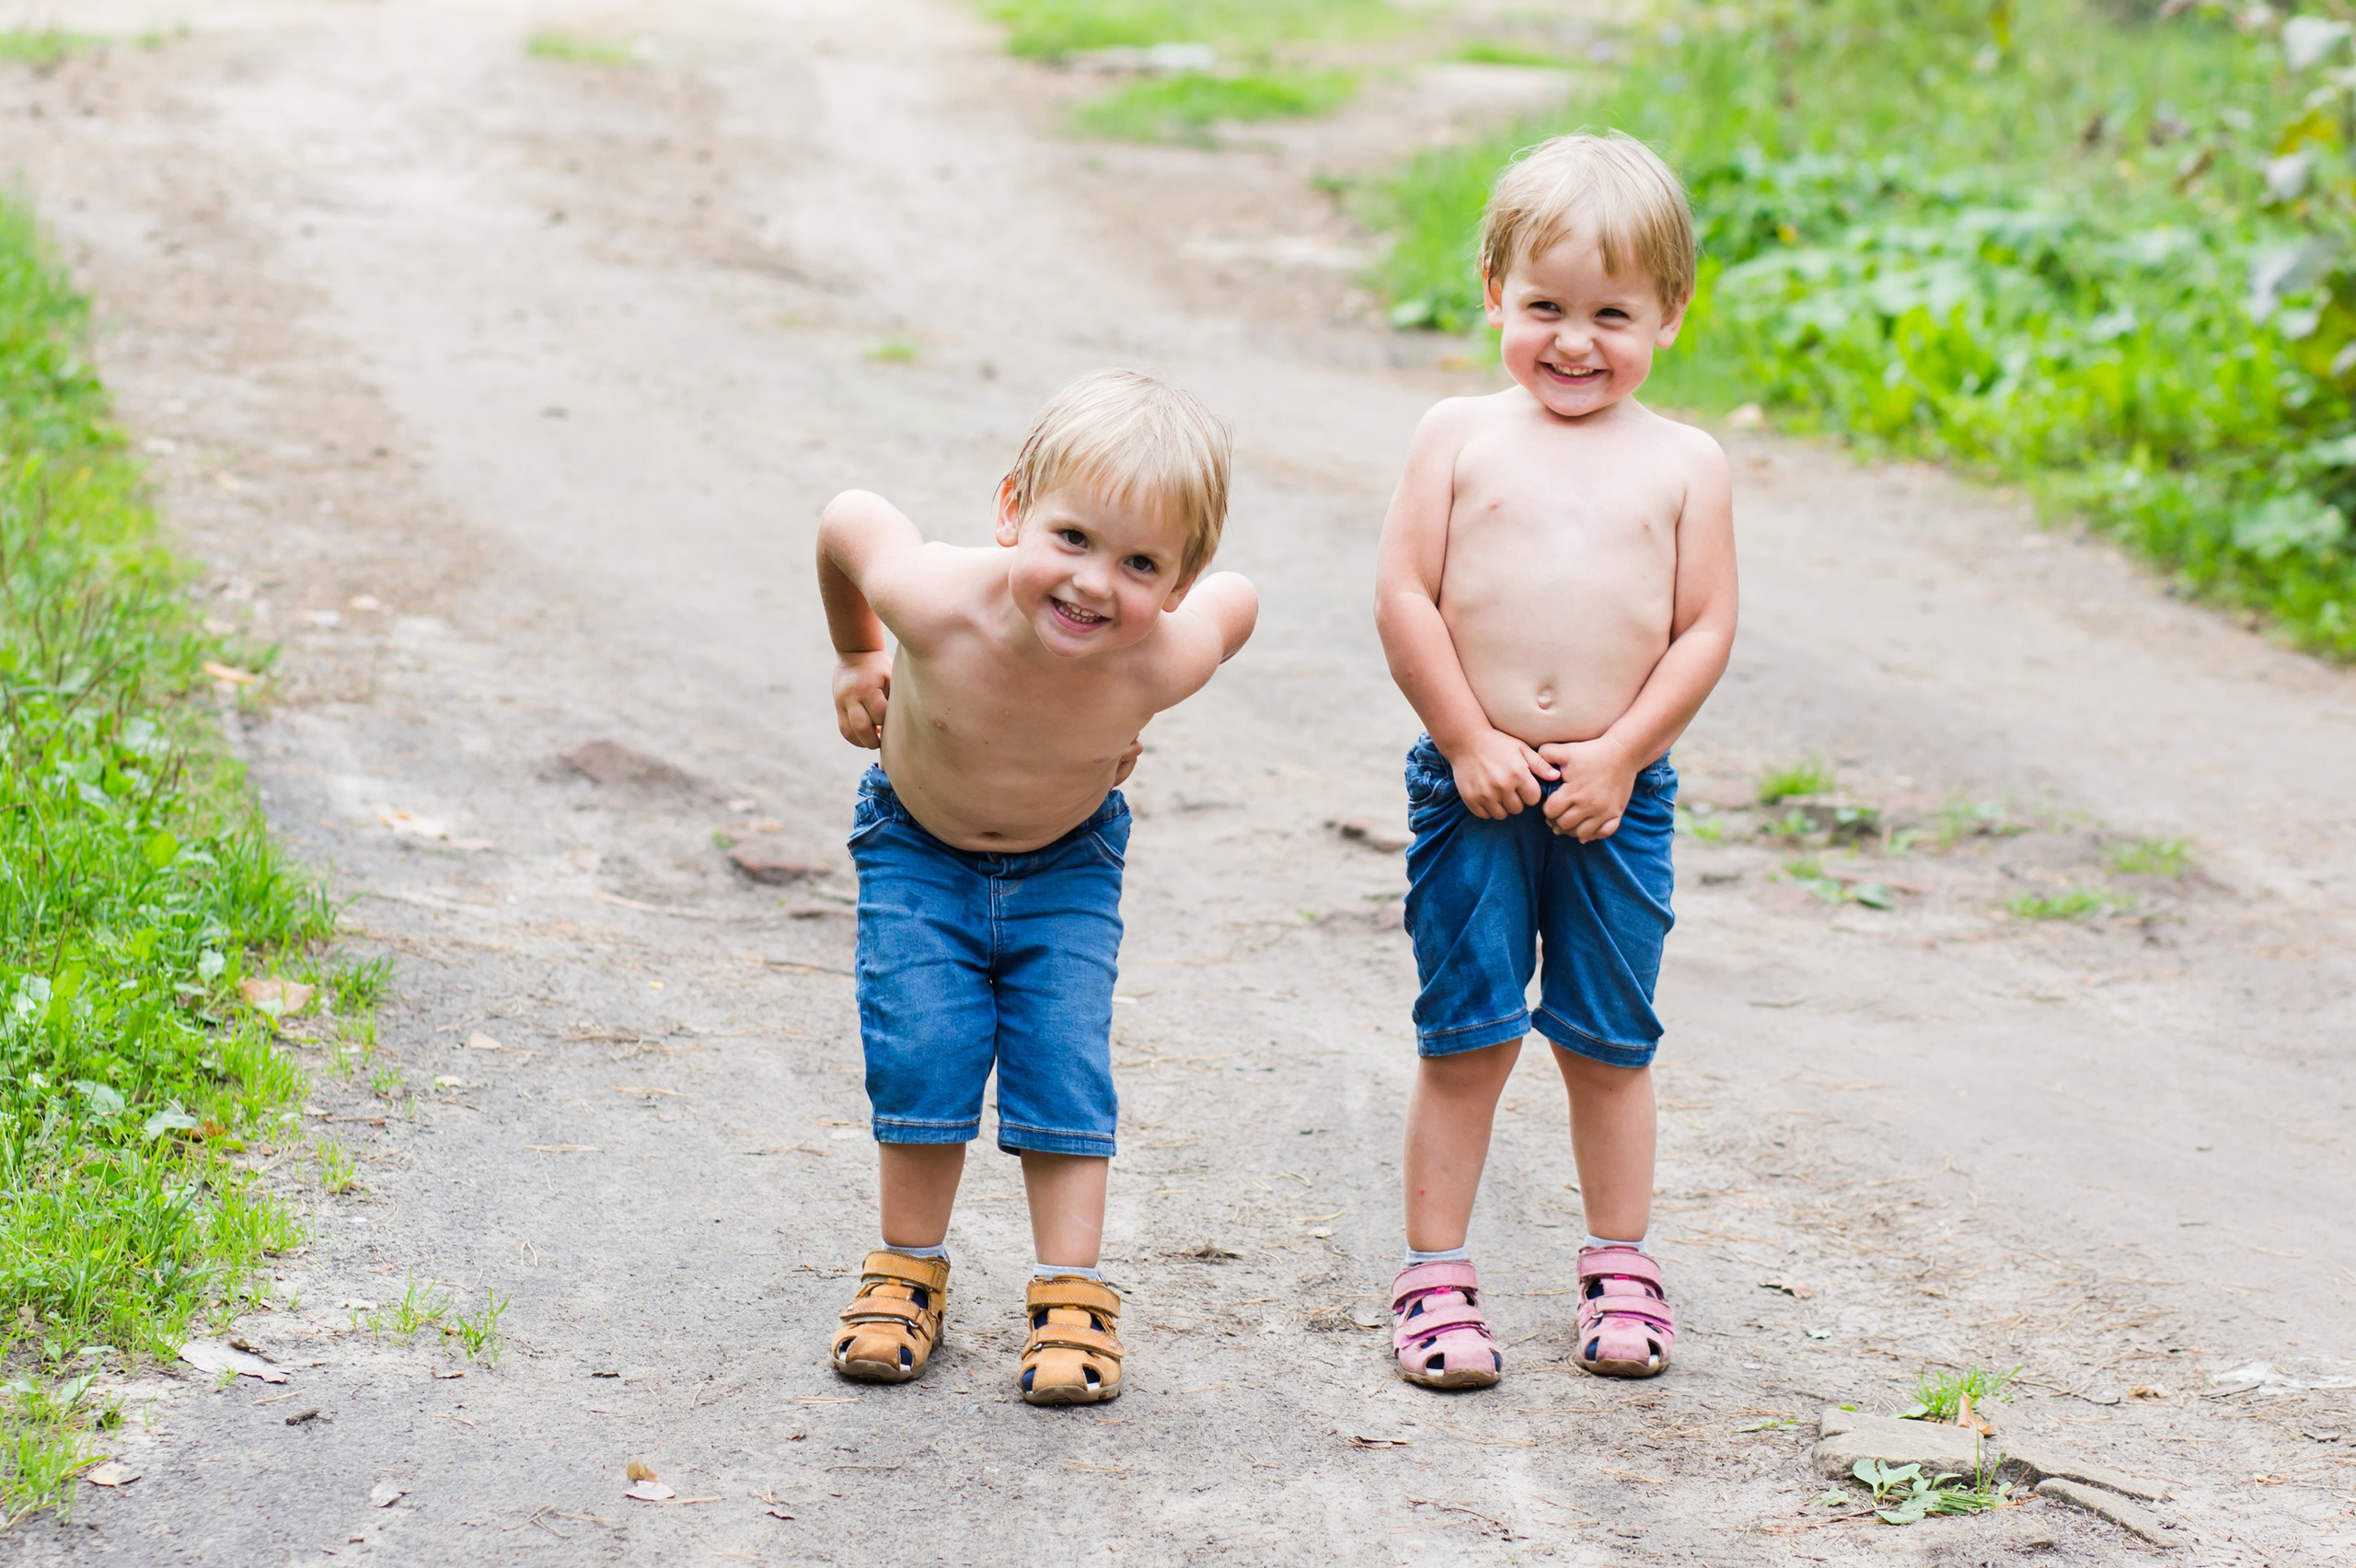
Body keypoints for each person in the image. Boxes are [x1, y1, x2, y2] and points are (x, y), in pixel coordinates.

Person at [1371, 132, 1738, 1389]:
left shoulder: (1687, 464)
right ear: (1493, 292)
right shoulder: (1459, 435)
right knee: (1465, 1033)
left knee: (1607, 1035)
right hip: (1474, 788)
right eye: (1544, 308)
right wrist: (1467, 738)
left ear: (1669, 316)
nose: (1574, 342)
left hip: (1612, 796)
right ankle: (1435, 1276)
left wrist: (1626, 754)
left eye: (1611, 314)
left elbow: (1703, 631)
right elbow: (1407, 598)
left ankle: (1620, 1261)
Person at [814, 369, 1257, 1405]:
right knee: (923, 1045)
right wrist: (851, 653)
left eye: (1141, 563)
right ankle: (905, 1268)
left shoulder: (1163, 654)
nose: (1096, 584)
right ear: (1013, 510)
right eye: (1072, 538)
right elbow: (847, 519)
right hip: (918, 847)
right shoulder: (929, 600)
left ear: (1178, 583)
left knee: (1063, 1062)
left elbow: (1238, 606)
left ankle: (1071, 1292)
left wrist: (1128, 722)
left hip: (1068, 865)